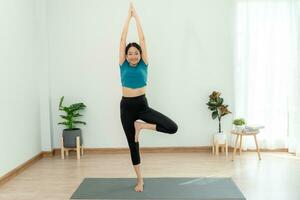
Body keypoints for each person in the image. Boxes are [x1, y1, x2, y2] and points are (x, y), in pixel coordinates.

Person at [119, 2, 178, 192]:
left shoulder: (144, 63)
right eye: (130, 53)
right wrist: (128, 18)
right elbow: (122, 40)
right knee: (132, 144)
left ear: (141, 54)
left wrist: (137, 17)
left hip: (142, 105)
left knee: (172, 127)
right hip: (126, 107)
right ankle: (140, 180)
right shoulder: (123, 65)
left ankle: (142, 125)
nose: (133, 56)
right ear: (126, 56)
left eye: (136, 53)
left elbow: (143, 38)